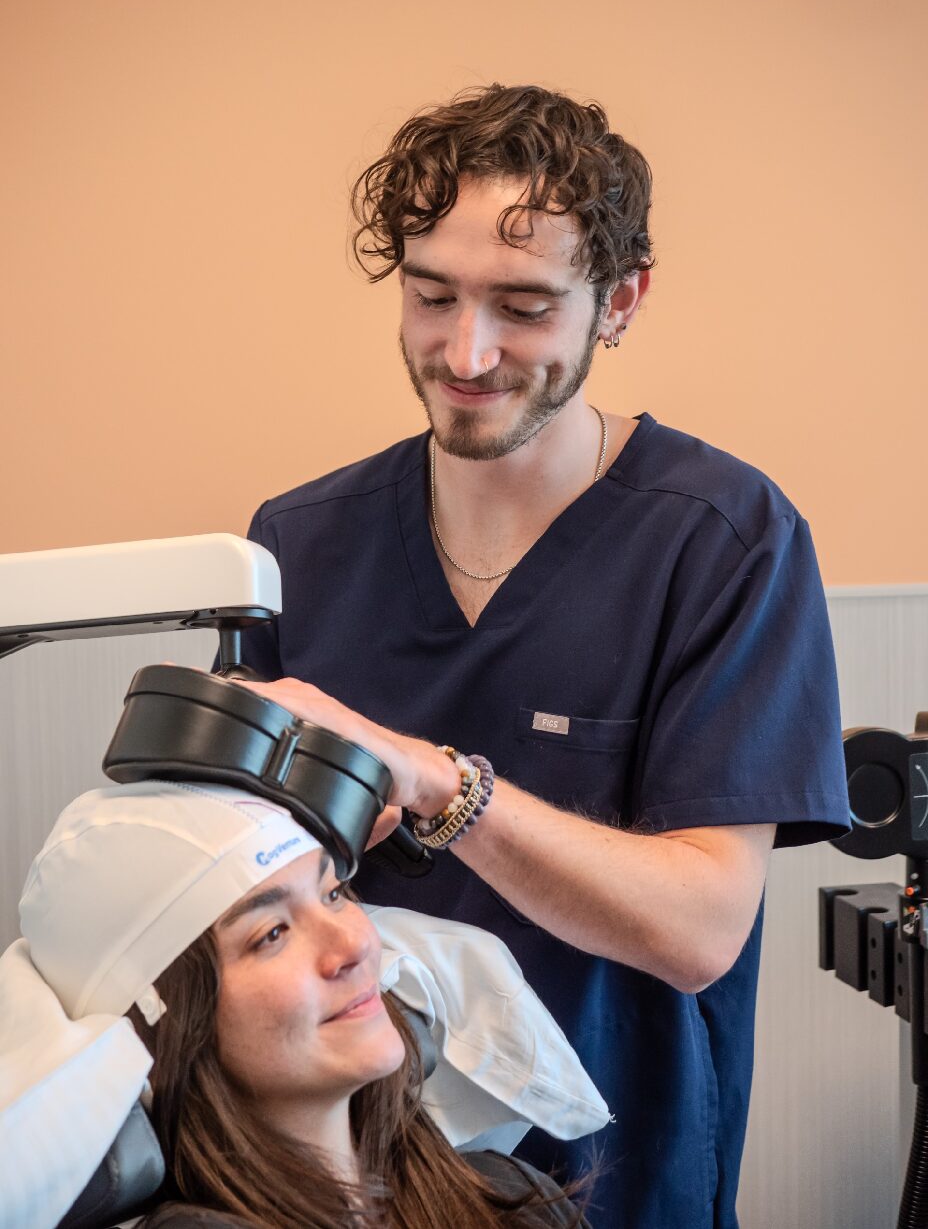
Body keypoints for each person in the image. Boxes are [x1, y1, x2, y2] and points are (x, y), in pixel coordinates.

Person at [235, 84, 852, 1227]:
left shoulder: (722, 540)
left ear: (620, 300)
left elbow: (699, 929)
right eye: (432, 296)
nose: (465, 351)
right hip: (353, 1180)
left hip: (617, 1177)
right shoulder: (298, 542)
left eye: (523, 307)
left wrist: (439, 784)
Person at [13, 780, 595, 1228]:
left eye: (334, 893)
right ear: (165, 1023)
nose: (356, 946)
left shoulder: (507, 1194)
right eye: (273, 933)